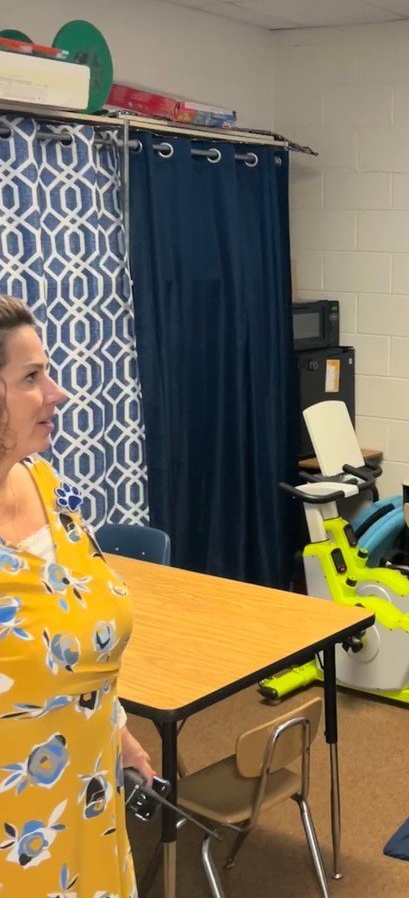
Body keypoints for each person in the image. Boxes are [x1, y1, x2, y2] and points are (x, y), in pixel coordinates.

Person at [0, 296, 154, 895]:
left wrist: (113, 729)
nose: (57, 393)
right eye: (32, 377)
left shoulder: (42, 479)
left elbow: (70, 629)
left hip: (87, 804)